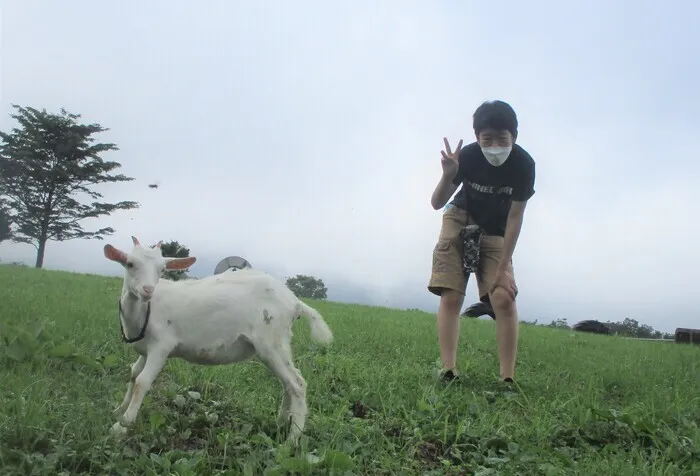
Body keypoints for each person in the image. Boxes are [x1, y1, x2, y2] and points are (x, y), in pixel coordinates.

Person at [427, 100, 536, 384]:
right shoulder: (468, 157)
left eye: (502, 138)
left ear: (514, 136)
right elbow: (437, 203)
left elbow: (515, 217)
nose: (495, 146)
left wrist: (502, 269)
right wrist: (448, 175)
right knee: (451, 293)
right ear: (477, 137)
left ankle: (507, 379)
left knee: (503, 297)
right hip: (460, 217)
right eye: (487, 139)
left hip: (497, 231)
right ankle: (448, 370)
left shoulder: (524, 166)